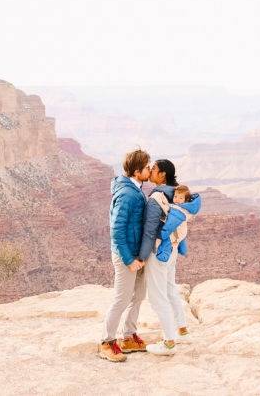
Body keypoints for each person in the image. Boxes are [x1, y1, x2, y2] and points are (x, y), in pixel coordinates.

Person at [138, 159, 202, 356]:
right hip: (172, 249)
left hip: (158, 251)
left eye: (154, 169)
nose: (151, 171)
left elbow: (150, 231)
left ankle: (169, 343)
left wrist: (141, 257)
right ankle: (182, 330)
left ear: (163, 174)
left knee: (158, 297)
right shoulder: (178, 193)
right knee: (170, 288)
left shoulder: (158, 196)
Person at [99, 149, 152, 362]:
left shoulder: (136, 189)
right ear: (137, 171)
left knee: (138, 295)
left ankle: (128, 337)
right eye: (148, 167)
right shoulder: (127, 194)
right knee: (121, 299)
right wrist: (129, 260)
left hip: (138, 255)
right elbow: (117, 230)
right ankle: (106, 342)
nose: (151, 170)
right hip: (126, 256)